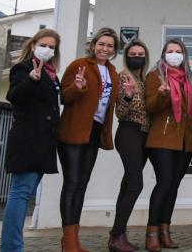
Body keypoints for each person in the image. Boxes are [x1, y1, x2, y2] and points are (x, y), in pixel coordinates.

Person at [58, 27, 121, 252]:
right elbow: (64, 96)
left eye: (110, 46)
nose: (105, 48)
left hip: (94, 132)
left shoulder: (113, 73)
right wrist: (77, 87)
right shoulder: (79, 65)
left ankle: (72, 239)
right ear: (94, 45)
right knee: (72, 183)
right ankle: (69, 240)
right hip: (73, 130)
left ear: (114, 50)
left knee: (82, 185)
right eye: (101, 44)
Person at [1, 29, 62, 252]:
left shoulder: (51, 74)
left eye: (52, 46)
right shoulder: (24, 68)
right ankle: (11, 248)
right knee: (20, 193)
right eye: (44, 44)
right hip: (27, 140)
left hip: (43, 142)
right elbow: (14, 96)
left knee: (25, 193)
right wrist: (31, 80)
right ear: (34, 44)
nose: (48, 49)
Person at [144, 39, 192, 251]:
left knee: (174, 185)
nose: (174, 54)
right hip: (162, 138)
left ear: (183, 55)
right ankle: (152, 232)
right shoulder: (155, 76)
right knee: (165, 181)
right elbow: (151, 107)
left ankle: (165, 230)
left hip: (185, 140)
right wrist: (163, 94)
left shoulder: (189, 78)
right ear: (164, 54)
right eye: (170, 51)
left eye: (178, 51)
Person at [110, 39, 152, 252]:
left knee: (127, 185)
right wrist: (127, 96)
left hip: (144, 135)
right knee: (136, 184)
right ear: (127, 57)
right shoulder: (124, 77)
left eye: (141, 53)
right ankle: (117, 235)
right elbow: (120, 113)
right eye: (133, 54)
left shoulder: (144, 78)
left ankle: (118, 235)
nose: (137, 57)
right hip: (129, 132)